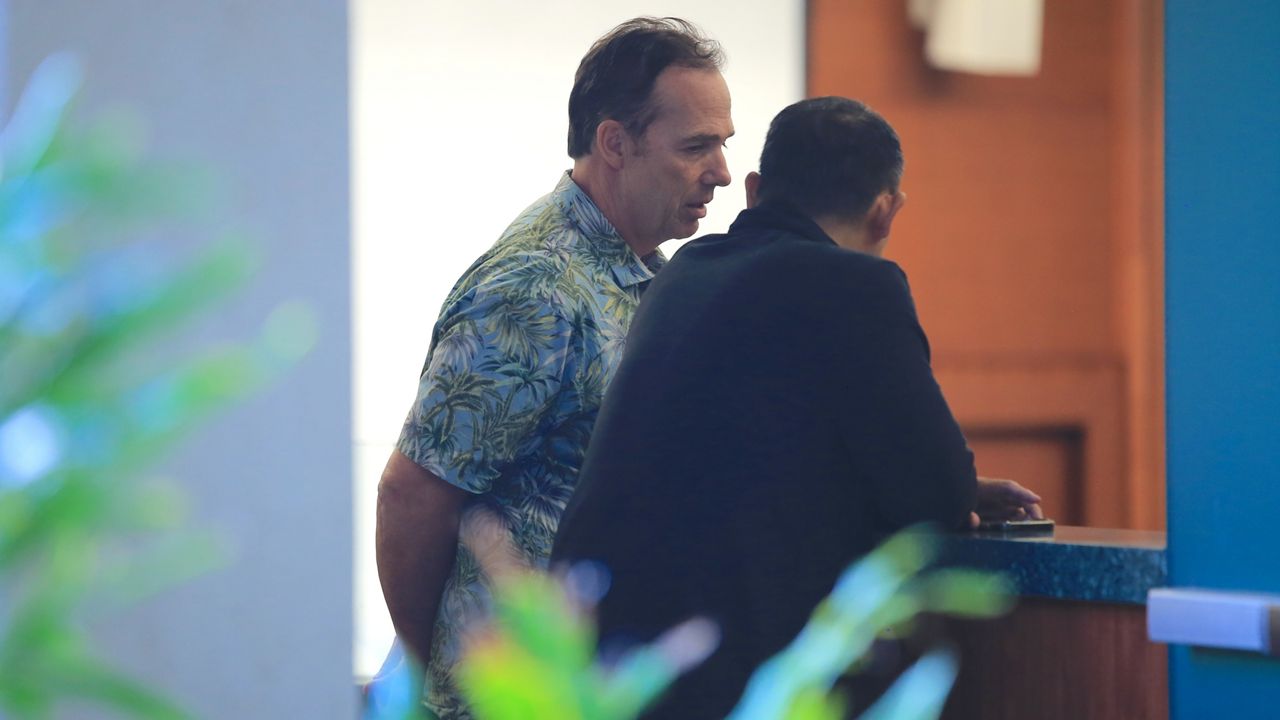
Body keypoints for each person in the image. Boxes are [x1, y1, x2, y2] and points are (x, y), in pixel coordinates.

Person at [550, 96, 1043, 719]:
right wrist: (956, 488)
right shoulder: (859, 287)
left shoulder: (684, 274)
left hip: (590, 660)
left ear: (754, 191)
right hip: (718, 670)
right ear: (886, 210)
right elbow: (934, 498)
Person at [373, 16, 734, 719]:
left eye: (722, 145)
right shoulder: (537, 287)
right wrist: (434, 673)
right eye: (696, 147)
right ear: (614, 144)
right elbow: (412, 496)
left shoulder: (633, 271)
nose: (720, 171)